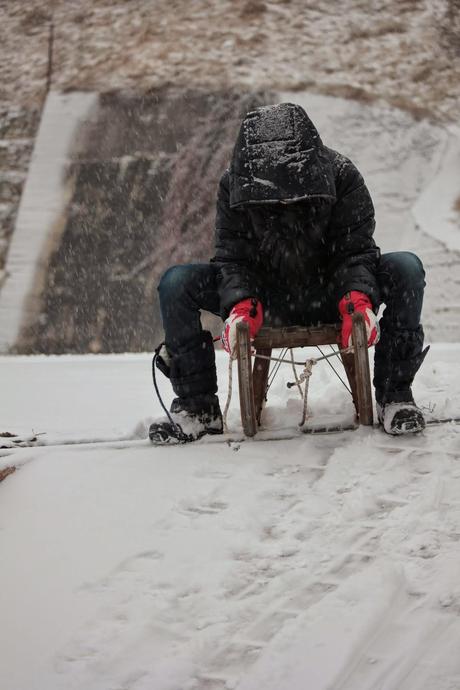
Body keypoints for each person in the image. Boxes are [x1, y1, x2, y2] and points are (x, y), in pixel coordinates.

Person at [149, 102, 428, 444]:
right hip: (263, 301)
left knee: (406, 268)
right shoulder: (234, 185)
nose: (282, 204)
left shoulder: (342, 176)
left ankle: (394, 397)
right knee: (177, 283)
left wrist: (356, 298)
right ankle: (199, 409)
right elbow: (232, 257)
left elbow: (355, 251)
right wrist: (242, 303)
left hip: (333, 295)